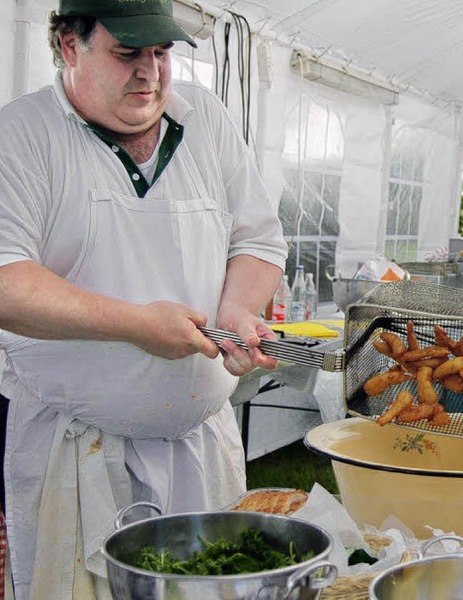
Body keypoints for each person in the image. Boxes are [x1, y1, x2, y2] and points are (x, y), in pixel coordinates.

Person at [0, 1, 288, 598]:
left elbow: (257, 238)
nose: (150, 73)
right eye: (127, 53)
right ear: (68, 45)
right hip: (76, 451)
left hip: (203, 445)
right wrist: (134, 324)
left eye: (161, 53)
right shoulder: (21, 135)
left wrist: (239, 310)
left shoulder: (205, 119)